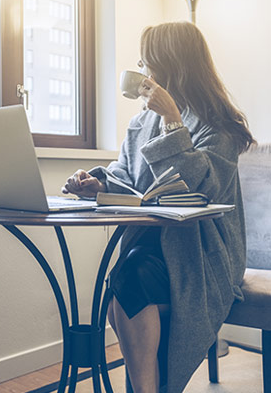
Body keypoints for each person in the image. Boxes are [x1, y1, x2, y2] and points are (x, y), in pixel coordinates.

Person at [62, 22, 255, 393]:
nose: (143, 72)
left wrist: (172, 121)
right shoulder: (140, 122)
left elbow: (201, 187)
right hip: (149, 246)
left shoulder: (220, 126)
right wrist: (98, 183)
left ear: (172, 66)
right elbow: (127, 176)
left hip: (202, 254)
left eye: (148, 63)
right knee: (125, 279)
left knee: (128, 278)